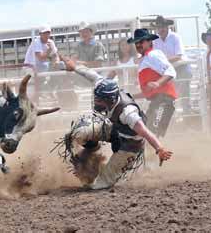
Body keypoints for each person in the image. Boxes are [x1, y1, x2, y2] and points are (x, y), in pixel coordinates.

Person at [57, 55, 173, 190]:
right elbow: (91, 74)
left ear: (110, 99)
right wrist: (75, 67)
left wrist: (159, 149)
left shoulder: (128, 113)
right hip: (114, 129)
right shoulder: (103, 85)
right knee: (79, 132)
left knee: (100, 184)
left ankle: (108, 174)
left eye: (99, 99)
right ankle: (92, 149)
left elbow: (145, 132)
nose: (96, 101)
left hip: (130, 144)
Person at [128, 28, 177, 138]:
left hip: (164, 99)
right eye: (136, 42)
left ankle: (155, 153)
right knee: (148, 130)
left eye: (141, 41)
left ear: (149, 41)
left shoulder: (153, 55)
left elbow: (170, 71)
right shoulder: (145, 59)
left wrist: (158, 83)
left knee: (151, 131)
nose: (138, 45)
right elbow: (148, 91)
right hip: (159, 100)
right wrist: (132, 96)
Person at [151, 16, 193, 115]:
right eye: (159, 27)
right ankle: (173, 117)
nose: (161, 29)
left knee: (183, 93)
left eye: (162, 27)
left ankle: (186, 114)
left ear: (167, 27)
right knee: (170, 94)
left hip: (180, 68)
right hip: (168, 70)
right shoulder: (155, 41)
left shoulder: (175, 37)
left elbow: (178, 56)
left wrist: (162, 61)